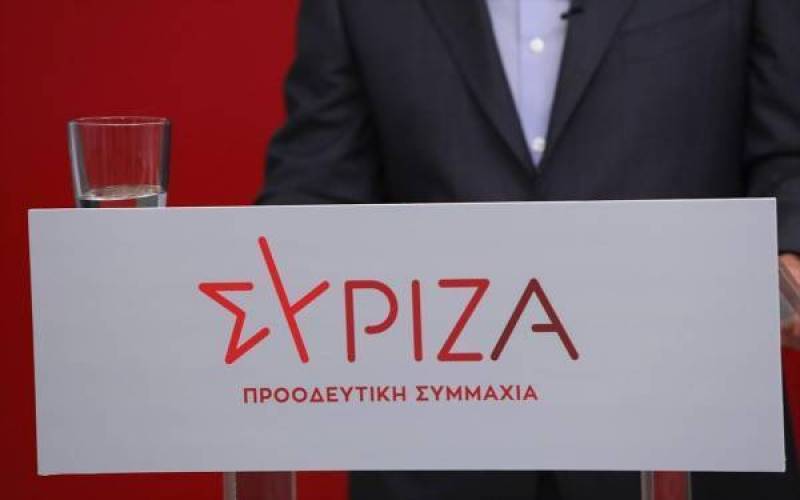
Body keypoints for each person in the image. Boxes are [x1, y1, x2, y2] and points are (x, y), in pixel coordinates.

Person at [257, 0, 800, 498]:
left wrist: (790, 251)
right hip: (439, 448)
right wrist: (253, 287)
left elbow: (788, 148)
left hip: (683, 424)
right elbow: (318, 179)